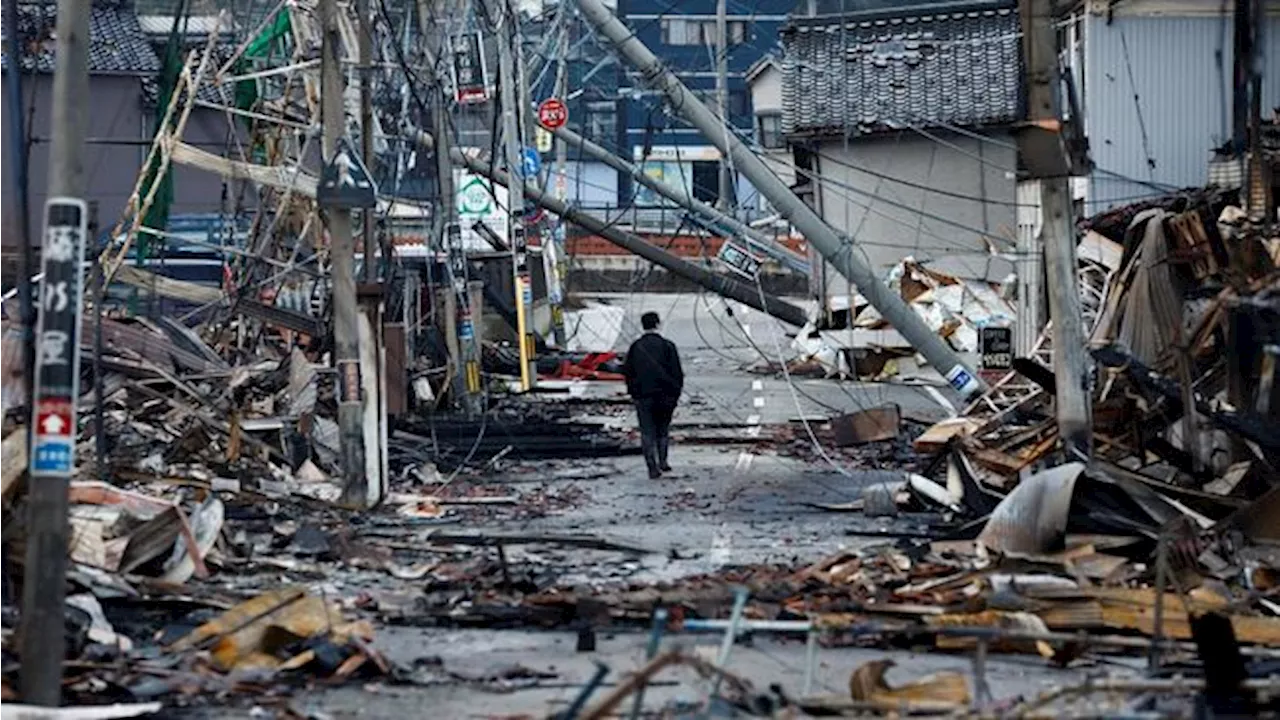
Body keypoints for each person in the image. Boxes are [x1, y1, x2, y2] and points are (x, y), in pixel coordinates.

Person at [622, 311, 684, 479]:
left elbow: (627, 371)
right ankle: (663, 461)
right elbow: (677, 373)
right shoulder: (668, 346)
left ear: (643, 325)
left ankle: (651, 466)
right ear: (658, 324)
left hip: (643, 396)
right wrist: (675, 394)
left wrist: (633, 391)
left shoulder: (636, 347)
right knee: (662, 429)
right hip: (665, 395)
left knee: (647, 431)